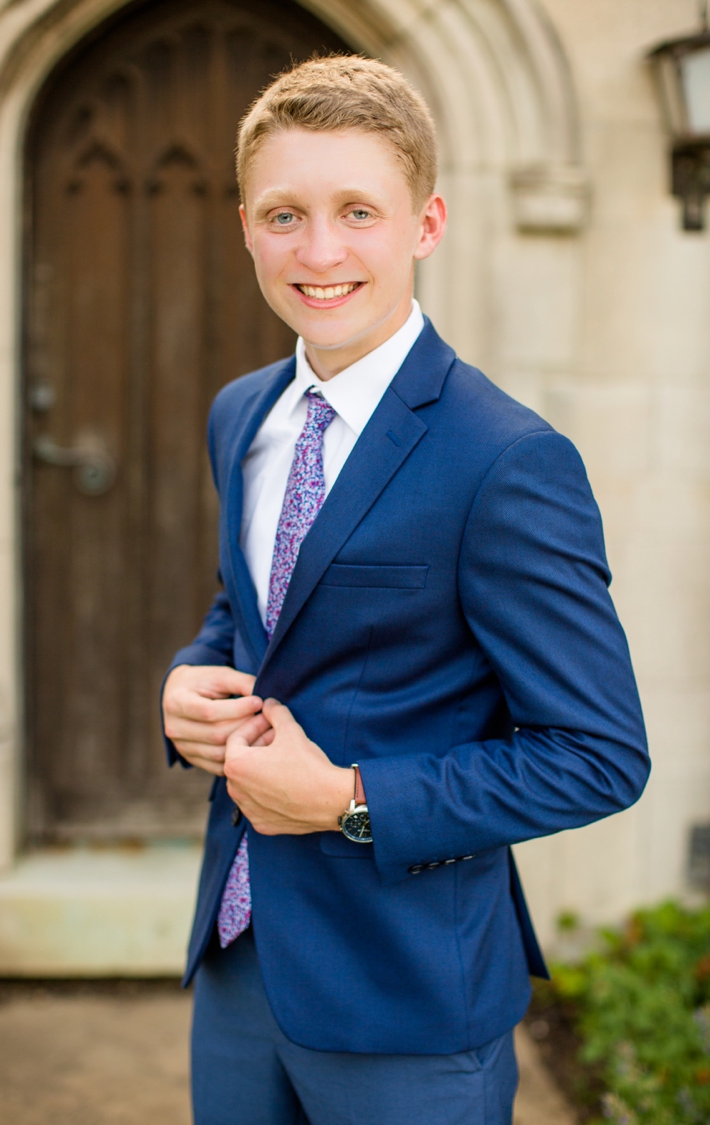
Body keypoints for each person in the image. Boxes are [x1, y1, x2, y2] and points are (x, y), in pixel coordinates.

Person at [160, 56, 648, 1125]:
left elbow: (600, 756)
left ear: (425, 224)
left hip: (411, 1002)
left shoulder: (506, 458)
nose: (319, 251)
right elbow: (255, 615)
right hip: (240, 961)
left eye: (357, 212)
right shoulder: (241, 416)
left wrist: (345, 800)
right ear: (245, 224)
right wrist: (191, 682)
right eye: (285, 214)